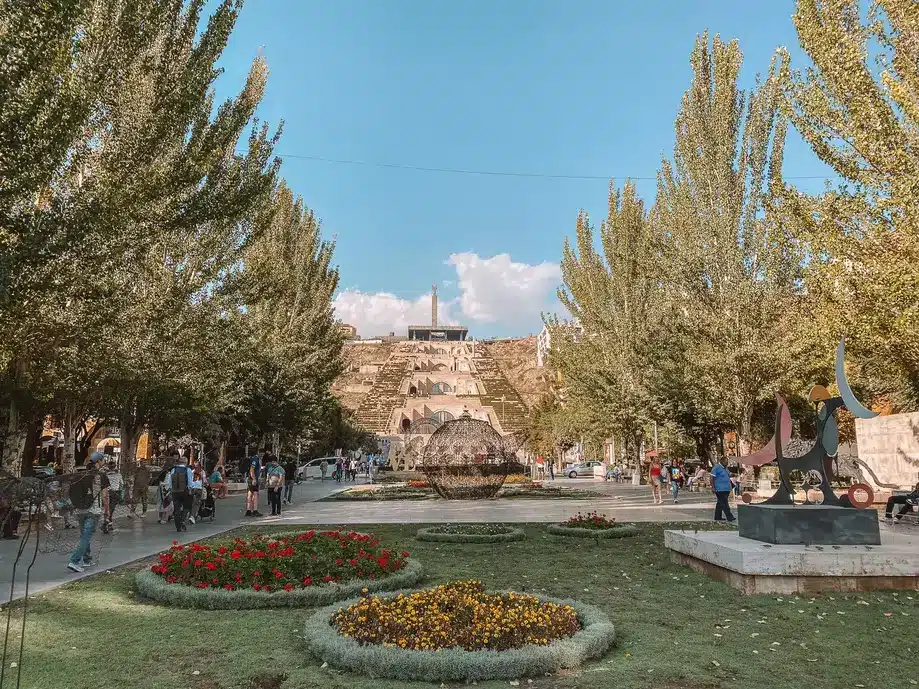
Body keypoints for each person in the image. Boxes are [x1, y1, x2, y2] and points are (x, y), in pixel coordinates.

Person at [67, 452, 110, 573]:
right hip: (93, 510)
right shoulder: (101, 475)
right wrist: (107, 513)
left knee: (84, 536)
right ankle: (74, 561)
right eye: (103, 460)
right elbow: (106, 496)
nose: (104, 462)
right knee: (86, 536)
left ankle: (87, 560)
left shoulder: (80, 474)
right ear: (99, 462)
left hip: (79, 510)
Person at [167, 455, 194, 532]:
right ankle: (182, 520)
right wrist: (190, 489)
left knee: (176, 508)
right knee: (187, 506)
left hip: (175, 491)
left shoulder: (174, 469)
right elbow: (190, 481)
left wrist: (170, 489)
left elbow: (170, 481)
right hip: (184, 491)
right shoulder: (187, 470)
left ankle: (177, 526)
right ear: (186, 462)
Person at [711, 458, 736, 523]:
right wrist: (713, 487)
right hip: (719, 489)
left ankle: (717, 516)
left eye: (727, 462)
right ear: (721, 461)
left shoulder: (726, 468)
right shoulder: (716, 468)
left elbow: (729, 474)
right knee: (725, 503)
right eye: (725, 462)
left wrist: (732, 475)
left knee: (720, 503)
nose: (727, 463)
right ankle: (729, 516)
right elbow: (712, 477)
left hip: (726, 488)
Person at [103, 461, 123, 533]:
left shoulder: (106, 474)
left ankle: (109, 524)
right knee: (111, 508)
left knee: (107, 508)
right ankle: (107, 522)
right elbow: (122, 484)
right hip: (115, 492)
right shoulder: (118, 474)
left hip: (107, 492)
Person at [188, 459, 207, 524]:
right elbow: (204, 481)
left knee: (190, 502)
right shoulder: (202, 471)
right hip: (198, 488)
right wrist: (206, 484)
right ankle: (193, 516)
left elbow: (189, 480)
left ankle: (188, 515)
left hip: (192, 488)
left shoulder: (192, 471)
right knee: (196, 503)